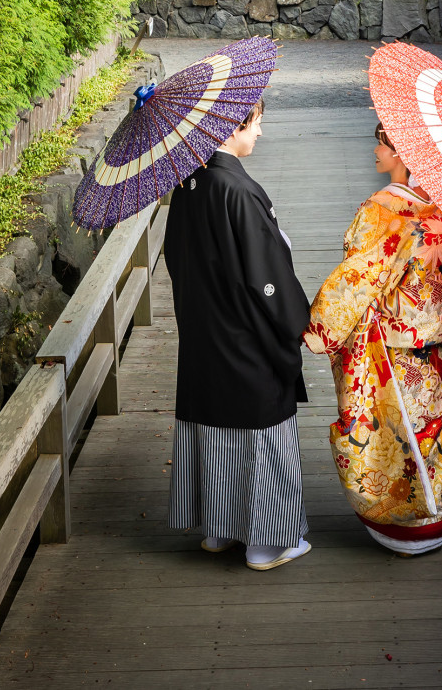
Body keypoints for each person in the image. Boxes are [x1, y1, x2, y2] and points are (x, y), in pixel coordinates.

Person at [303, 121, 442, 555]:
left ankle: (403, 524)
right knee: (431, 429)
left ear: (399, 152)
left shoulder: (383, 211)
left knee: (395, 435)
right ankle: (435, 521)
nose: (375, 152)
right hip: (436, 348)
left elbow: (357, 279)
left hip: (395, 352)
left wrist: (319, 327)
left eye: (380, 144)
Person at [164, 96, 312, 571]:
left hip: (205, 330)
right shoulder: (238, 192)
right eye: (257, 124)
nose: (260, 133)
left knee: (215, 426)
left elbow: (174, 257)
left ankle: (220, 528)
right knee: (259, 428)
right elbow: (267, 279)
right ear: (232, 126)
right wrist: (296, 323)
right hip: (246, 336)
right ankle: (268, 543)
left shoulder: (188, 182)